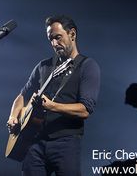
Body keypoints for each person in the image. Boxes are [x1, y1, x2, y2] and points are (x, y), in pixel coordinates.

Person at [6, 15, 100, 176]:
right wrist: (13, 117)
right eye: (51, 39)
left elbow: (85, 110)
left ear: (72, 34)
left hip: (66, 143)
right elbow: (22, 95)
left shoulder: (87, 66)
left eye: (58, 37)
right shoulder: (43, 66)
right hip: (34, 143)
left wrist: (52, 106)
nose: (55, 44)